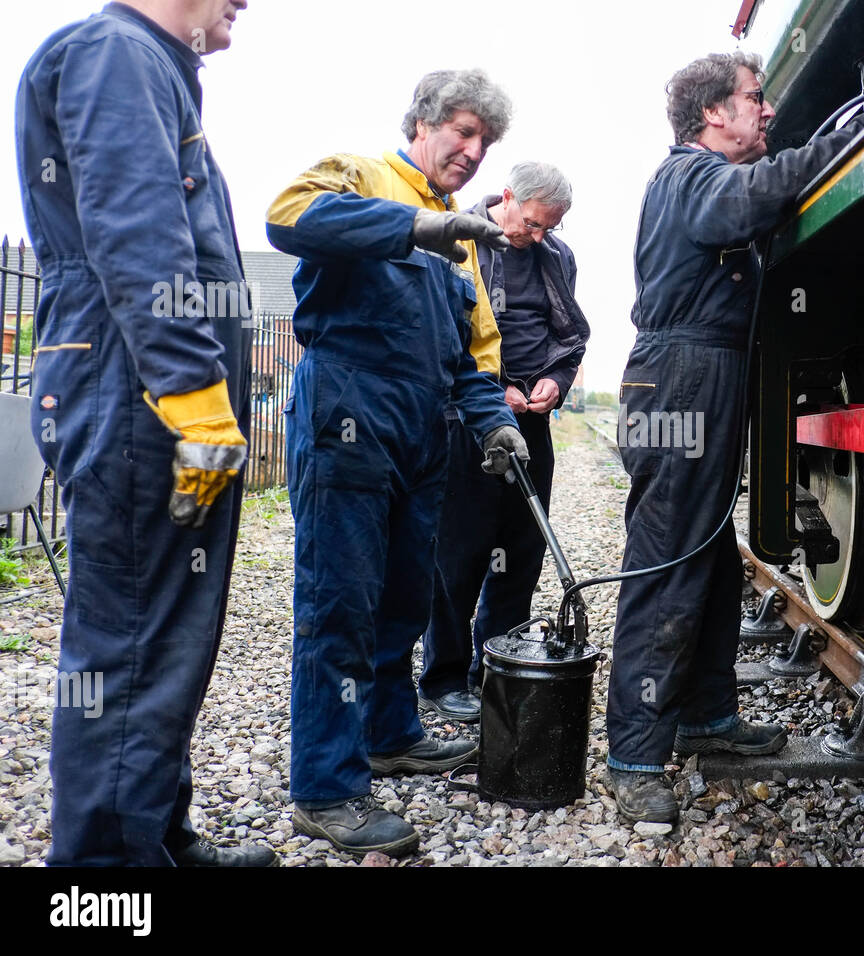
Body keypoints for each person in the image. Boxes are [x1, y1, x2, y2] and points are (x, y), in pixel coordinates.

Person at [14, 1, 274, 866]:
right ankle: (105, 879)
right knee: (130, 643)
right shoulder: (117, 52)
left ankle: (151, 834)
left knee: (162, 635)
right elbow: (136, 230)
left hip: (144, 390)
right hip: (138, 394)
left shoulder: (150, 64)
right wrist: (192, 389)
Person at [266, 69, 528, 858]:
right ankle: (325, 787)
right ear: (421, 123)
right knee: (339, 600)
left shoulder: (465, 240)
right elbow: (287, 217)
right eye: (462, 130)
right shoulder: (362, 174)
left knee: (406, 596)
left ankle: (388, 734)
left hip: (423, 427)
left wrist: (493, 423)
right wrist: (414, 227)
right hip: (347, 406)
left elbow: (467, 357)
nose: (473, 151)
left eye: (485, 140)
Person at [605, 52, 864, 823]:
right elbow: (744, 203)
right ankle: (635, 755)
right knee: (669, 559)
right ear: (712, 114)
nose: (766, 111)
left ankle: (706, 714)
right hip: (681, 376)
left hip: (699, 371)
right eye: (755, 99)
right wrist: (841, 137)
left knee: (712, 553)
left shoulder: (694, 175)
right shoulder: (690, 174)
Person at [419, 162, 589, 721]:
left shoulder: (556, 258)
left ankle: (495, 666)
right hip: (467, 422)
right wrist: (494, 396)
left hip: (531, 427)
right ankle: (443, 677)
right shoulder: (456, 239)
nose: (538, 238)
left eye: (550, 229)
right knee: (459, 554)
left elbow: (570, 339)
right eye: (534, 224)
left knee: (521, 552)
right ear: (509, 198)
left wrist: (554, 384)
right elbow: (442, 336)